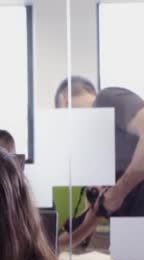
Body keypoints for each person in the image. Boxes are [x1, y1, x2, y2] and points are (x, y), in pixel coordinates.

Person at [54, 77, 144, 250]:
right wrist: (50, 247)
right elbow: (95, 214)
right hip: (131, 236)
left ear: (65, 103)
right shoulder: (97, 150)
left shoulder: (106, 99)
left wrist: (119, 190)